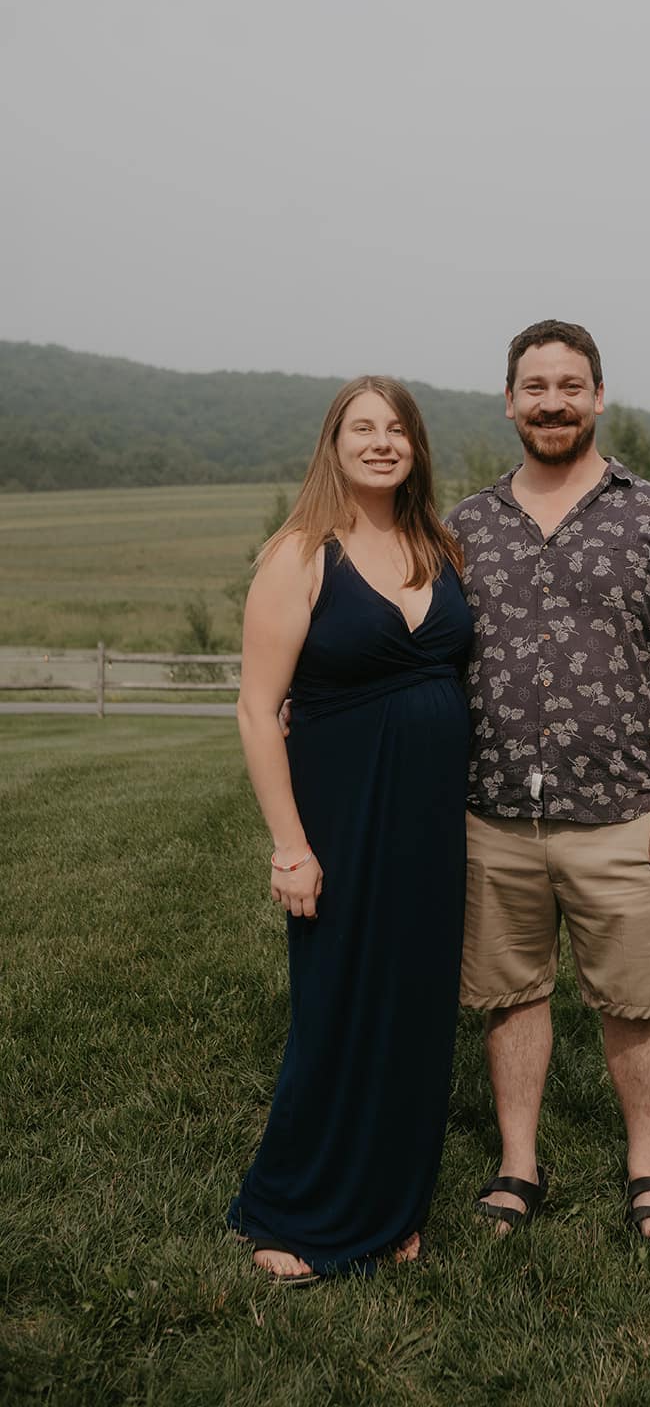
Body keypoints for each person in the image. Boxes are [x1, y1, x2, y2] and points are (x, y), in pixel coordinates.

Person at [446, 321, 650, 1240]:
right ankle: (517, 1164)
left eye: (570, 386)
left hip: (624, 812)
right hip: (493, 812)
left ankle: (647, 1166)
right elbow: (414, 649)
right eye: (535, 387)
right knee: (508, 993)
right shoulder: (466, 527)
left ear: (598, 397)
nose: (553, 402)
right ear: (511, 400)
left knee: (633, 1001)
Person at [228, 375, 472, 1281]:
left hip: (431, 824)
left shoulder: (438, 546)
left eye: (396, 427)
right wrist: (290, 845)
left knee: (415, 1013)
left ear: (416, 446)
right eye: (362, 428)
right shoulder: (300, 552)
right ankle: (295, 1208)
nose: (381, 442)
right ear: (333, 445)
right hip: (340, 813)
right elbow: (257, 710)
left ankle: (392, 1206)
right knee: (335, 1007)